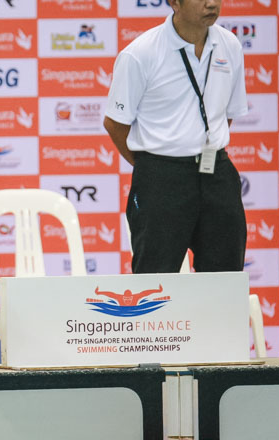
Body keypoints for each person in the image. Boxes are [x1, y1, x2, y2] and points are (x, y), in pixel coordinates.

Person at [103, 0, 247, 274]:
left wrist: (202, 144)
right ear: (174, 3)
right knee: (156, 284)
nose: (212, 3)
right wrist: (153, 166)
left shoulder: (230, 46)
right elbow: (115, 124)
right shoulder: (140, 53)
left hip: (217, 172)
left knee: (225, 280)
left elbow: (226, 114)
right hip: (161, 178)